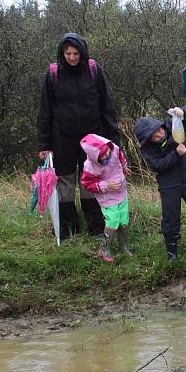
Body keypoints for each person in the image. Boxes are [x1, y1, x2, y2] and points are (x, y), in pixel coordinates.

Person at [36, 33, 120, 239]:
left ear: (82, 53)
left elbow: (106, 105)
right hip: (61, 137)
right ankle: (68, 229)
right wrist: (44, 144)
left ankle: (96, 228)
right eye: (68, 53)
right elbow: (45, 110)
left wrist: (113, 140)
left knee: (89, 180)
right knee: (64, 182)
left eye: (75, 53)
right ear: (62, 54)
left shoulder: (93, 70)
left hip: (92, 139)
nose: (72, 57)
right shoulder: (53, 73)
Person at [133, 105, 186, 259]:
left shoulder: (174, 125)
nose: (159, 134)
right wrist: (176, 154)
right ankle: (172, 254)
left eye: (159, 130)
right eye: (154, 136)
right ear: (148, 139)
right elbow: (157, 166)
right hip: (169, 185)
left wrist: (182, 112)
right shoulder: (147, 149)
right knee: (170, 219)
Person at [79, 134, 132, 262]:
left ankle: (123, 246)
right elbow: (87, 184)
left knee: (124, 220)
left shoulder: (114, 149)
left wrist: (124, 168)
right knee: (113, 221)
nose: (107, 155)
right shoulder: (90, 167)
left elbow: (120, 157)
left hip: (121, 192)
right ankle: (104, 248)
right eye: (102, 155)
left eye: (107, 151)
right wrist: (106, 185)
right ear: (94, 156)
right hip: (107, 198)